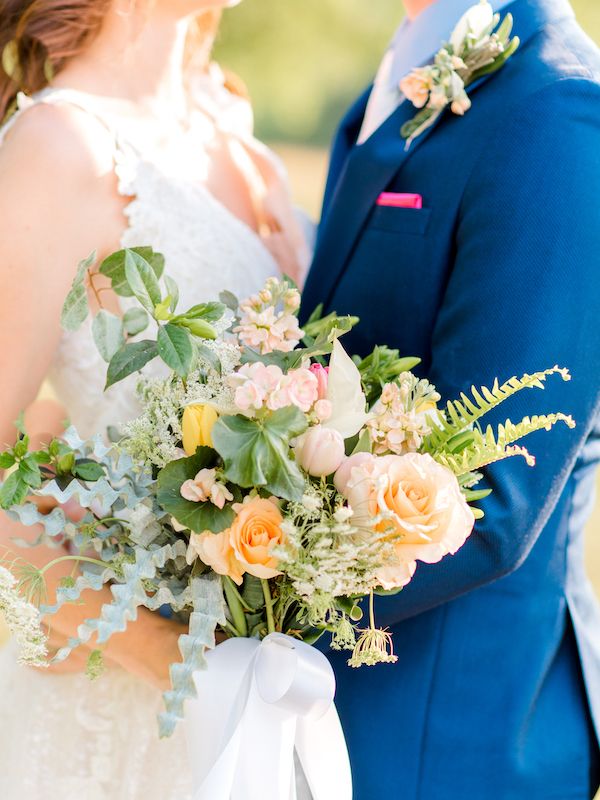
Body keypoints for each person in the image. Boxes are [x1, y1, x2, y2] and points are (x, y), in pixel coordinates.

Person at [0, 0, 307, 796]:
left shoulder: (224, 125)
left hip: (266, 693)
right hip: (134, 706)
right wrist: (177, 659)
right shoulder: (57, 147)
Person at [301, 0, 600, 797]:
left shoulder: (557, 109)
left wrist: (236, 598)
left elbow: (493, 498)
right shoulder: (403, 66)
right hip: (330, 713)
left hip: (449, 734)